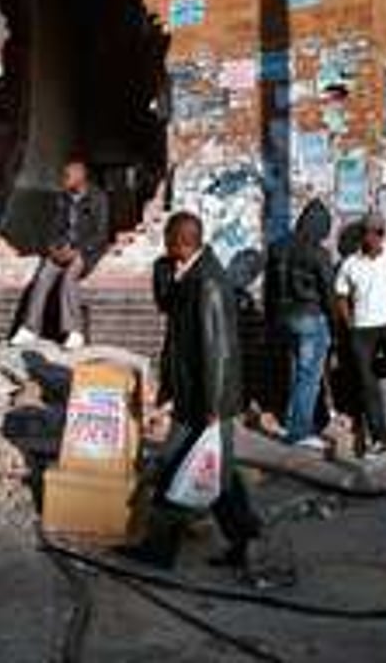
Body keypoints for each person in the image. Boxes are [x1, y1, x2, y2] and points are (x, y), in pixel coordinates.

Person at [116, 212, 261, 570]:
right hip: (193, 394)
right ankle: (248, 543)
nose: (164, 250)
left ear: (181, 241)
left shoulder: (208, 283)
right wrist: (162, 271)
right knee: (219, 478)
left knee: (179, 469)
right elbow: (166, 306)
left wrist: (212, 405)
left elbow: (219, 350)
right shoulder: (188, 274)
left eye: (167, 242)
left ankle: (159, 551)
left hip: (207, 400)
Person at [334, 211, 386, 459]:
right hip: (362, 330)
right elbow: (340, 296)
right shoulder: (350, 264)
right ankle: (380, 438)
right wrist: (349, 325)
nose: (375, 237)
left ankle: (364, 373)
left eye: (380, 232)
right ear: (363, 235)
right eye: (370, 232)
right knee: (369, 387)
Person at [10, 159, 109, 350]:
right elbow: (51, 228)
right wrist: (53, 248)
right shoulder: (61, 198)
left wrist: (78, 250)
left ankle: (74, 332)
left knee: (69, 278)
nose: (63, 180)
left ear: (80, 176)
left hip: (86, 251)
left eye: (67, 176)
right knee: (43, 275)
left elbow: (101, 234)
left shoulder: (98, 198)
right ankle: (29, 328)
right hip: (62, 249)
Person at [268, 198, 336, 450]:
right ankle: (299, 431)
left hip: (285, 317)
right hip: (311, 317)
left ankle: (291, 421)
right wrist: (335, 326)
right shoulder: (319, 253)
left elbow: (269, 289)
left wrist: (270, 320)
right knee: (309, 378)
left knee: (297, 372)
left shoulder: (277, 247)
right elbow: (328, 292)